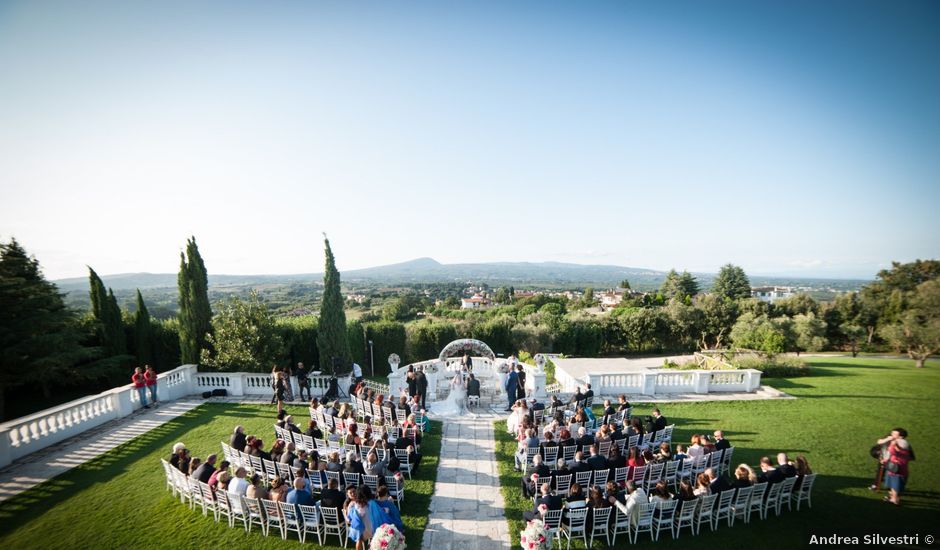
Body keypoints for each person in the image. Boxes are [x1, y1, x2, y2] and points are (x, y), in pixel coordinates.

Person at [880, 428, 914, 506]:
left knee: (896, 484)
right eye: (892, 433)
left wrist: (892, 444)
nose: (892, 435)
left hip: (898, 468)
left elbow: (893, 452)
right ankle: (892, 497)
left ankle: (894, 500)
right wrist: (885, 460)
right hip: (892, 467)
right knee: (891, 483)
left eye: (894, 434)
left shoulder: (903, 443)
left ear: (901, 436)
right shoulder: (896, 441)